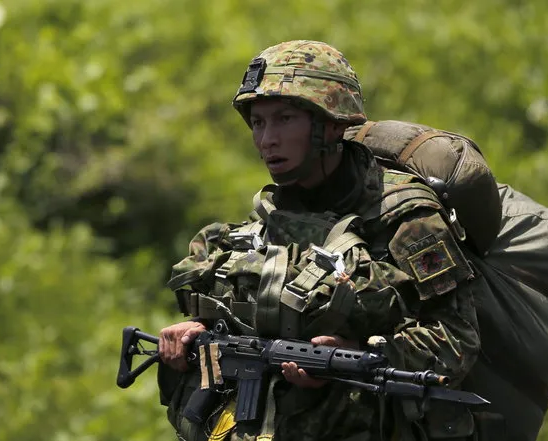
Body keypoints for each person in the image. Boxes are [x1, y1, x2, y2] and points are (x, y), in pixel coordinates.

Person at [158, 40, 481, 441]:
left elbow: (456, 342)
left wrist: (356, 354)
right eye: (258, 123)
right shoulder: (271, 216)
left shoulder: (405, 217)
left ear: (331, 123)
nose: (267, 140)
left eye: (284, 119)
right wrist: (198, 332)